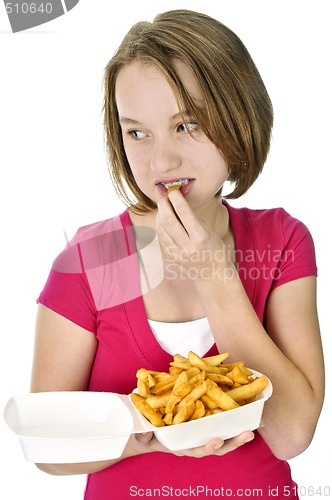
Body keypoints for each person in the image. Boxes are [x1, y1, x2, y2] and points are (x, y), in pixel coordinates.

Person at [30, 9, 325, 499]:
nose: (161, 161)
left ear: (238, 117)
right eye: (137, 132)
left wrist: (216, 277)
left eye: (186, 124)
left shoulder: (281, 241)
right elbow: (48, 443)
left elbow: (292, 434)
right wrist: (153, 437)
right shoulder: (95, 258)